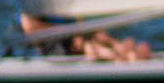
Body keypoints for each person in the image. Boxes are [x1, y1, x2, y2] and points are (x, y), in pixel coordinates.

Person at [19, 12, 151, 62]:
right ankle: (117, 55)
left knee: (97, 34)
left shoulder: (50, 7)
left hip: (67, 36)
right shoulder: (30, 12)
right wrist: (72, 31)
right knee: (84, 43)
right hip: (52, 43)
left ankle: (121, 49)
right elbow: (32, 30)